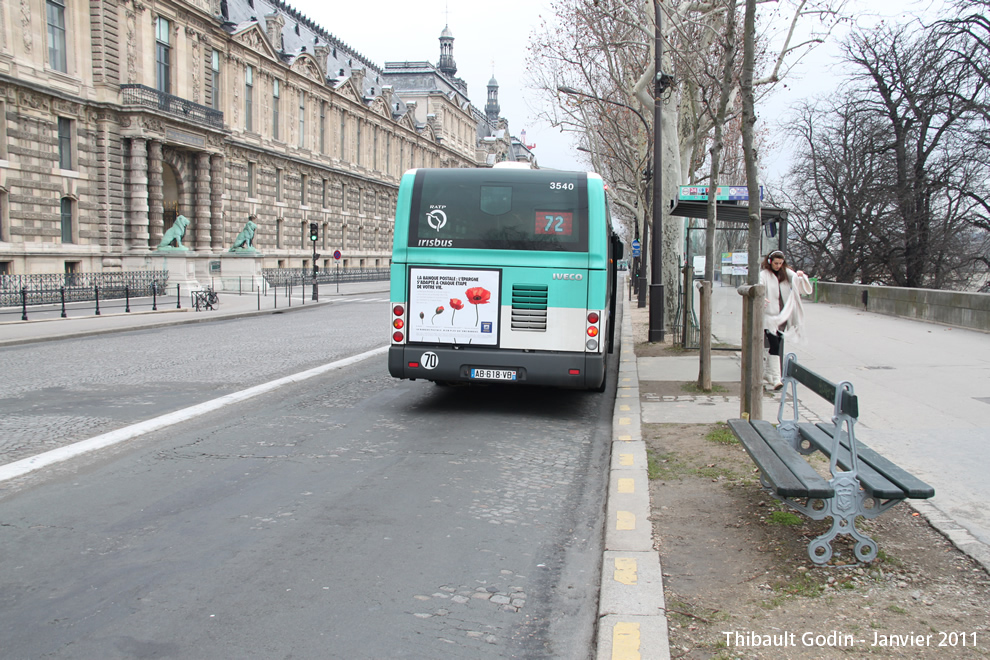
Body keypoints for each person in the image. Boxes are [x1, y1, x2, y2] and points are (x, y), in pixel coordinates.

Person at [759, 250, 812, 390]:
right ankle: (776, 377)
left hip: (782, 316)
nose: (778, 266)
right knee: (774, 344)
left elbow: (797, 280)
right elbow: (760, 286)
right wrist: (762, 297)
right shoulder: (764, 275)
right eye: (776, 263)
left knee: (775, 345)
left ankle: (768, 373)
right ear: (770, 262)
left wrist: (801, 276)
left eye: (780, 263)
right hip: (769, 316)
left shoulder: (785, 273)